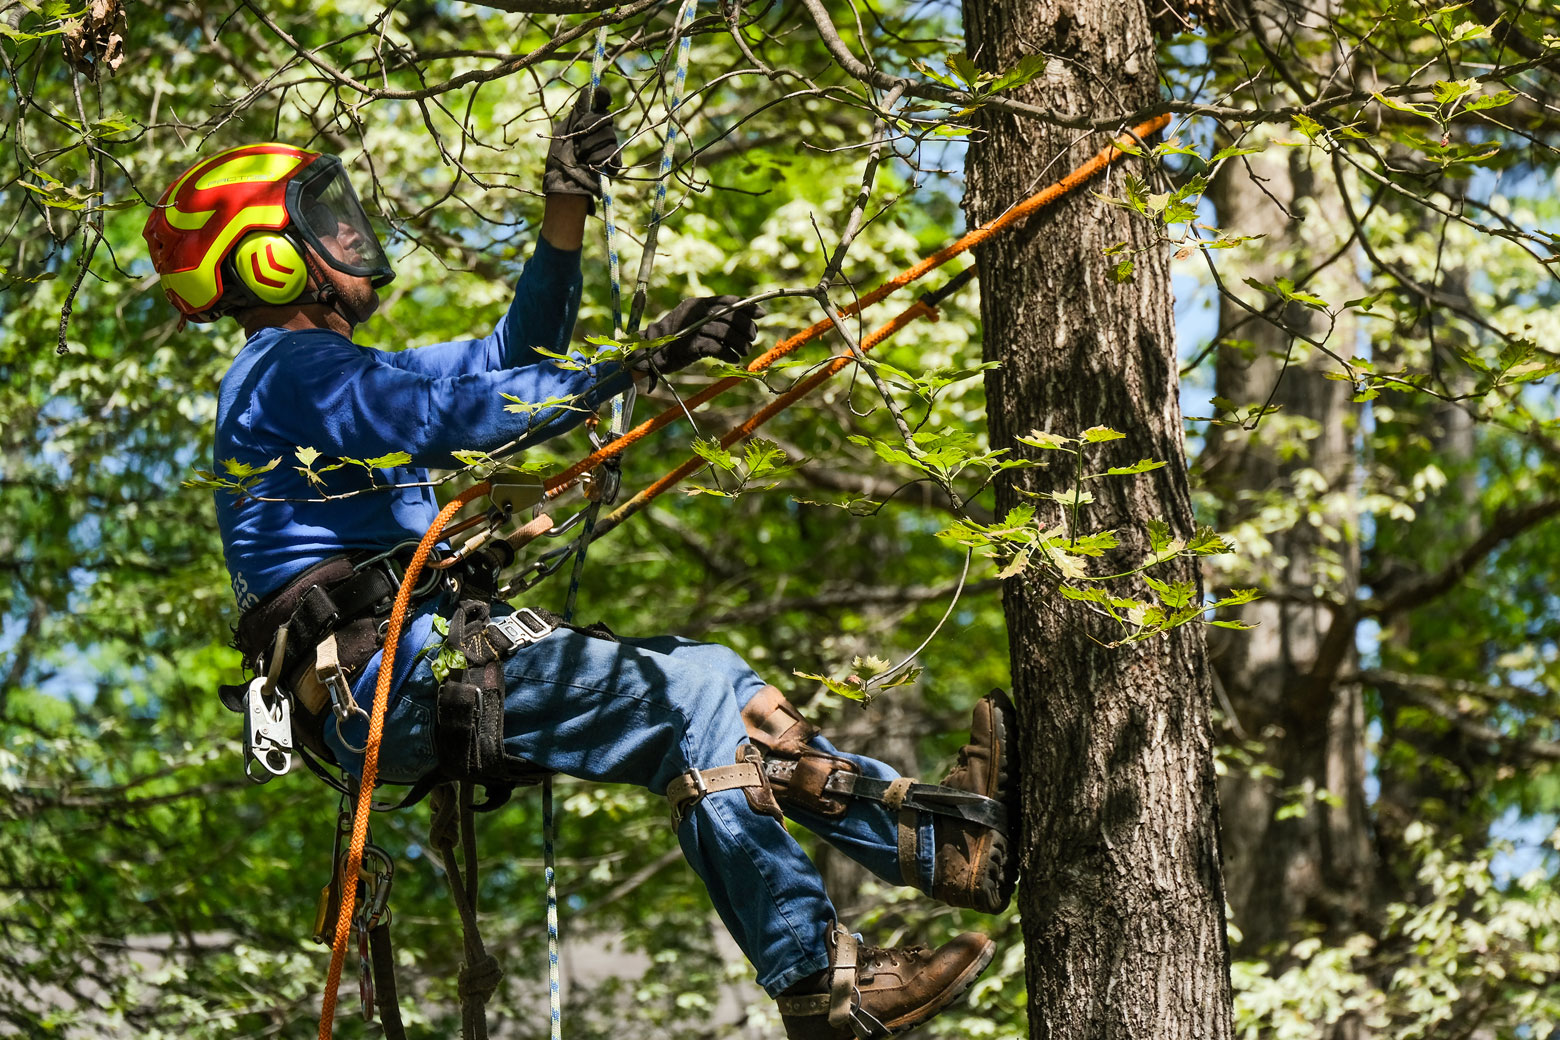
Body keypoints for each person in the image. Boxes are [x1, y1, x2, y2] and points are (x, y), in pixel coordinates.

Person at [143, 95, 1019, 1040]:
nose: (351, 234)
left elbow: (507, 363)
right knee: (689, 699)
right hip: (387, 679)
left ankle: (943, 848)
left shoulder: (335, 377)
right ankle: (818, 978)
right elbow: (474, 413)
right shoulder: (283, 372)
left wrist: (566, 205)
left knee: (713, 685)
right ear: (269, 258)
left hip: (409, 669)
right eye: (326, 222)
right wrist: (633, 366)